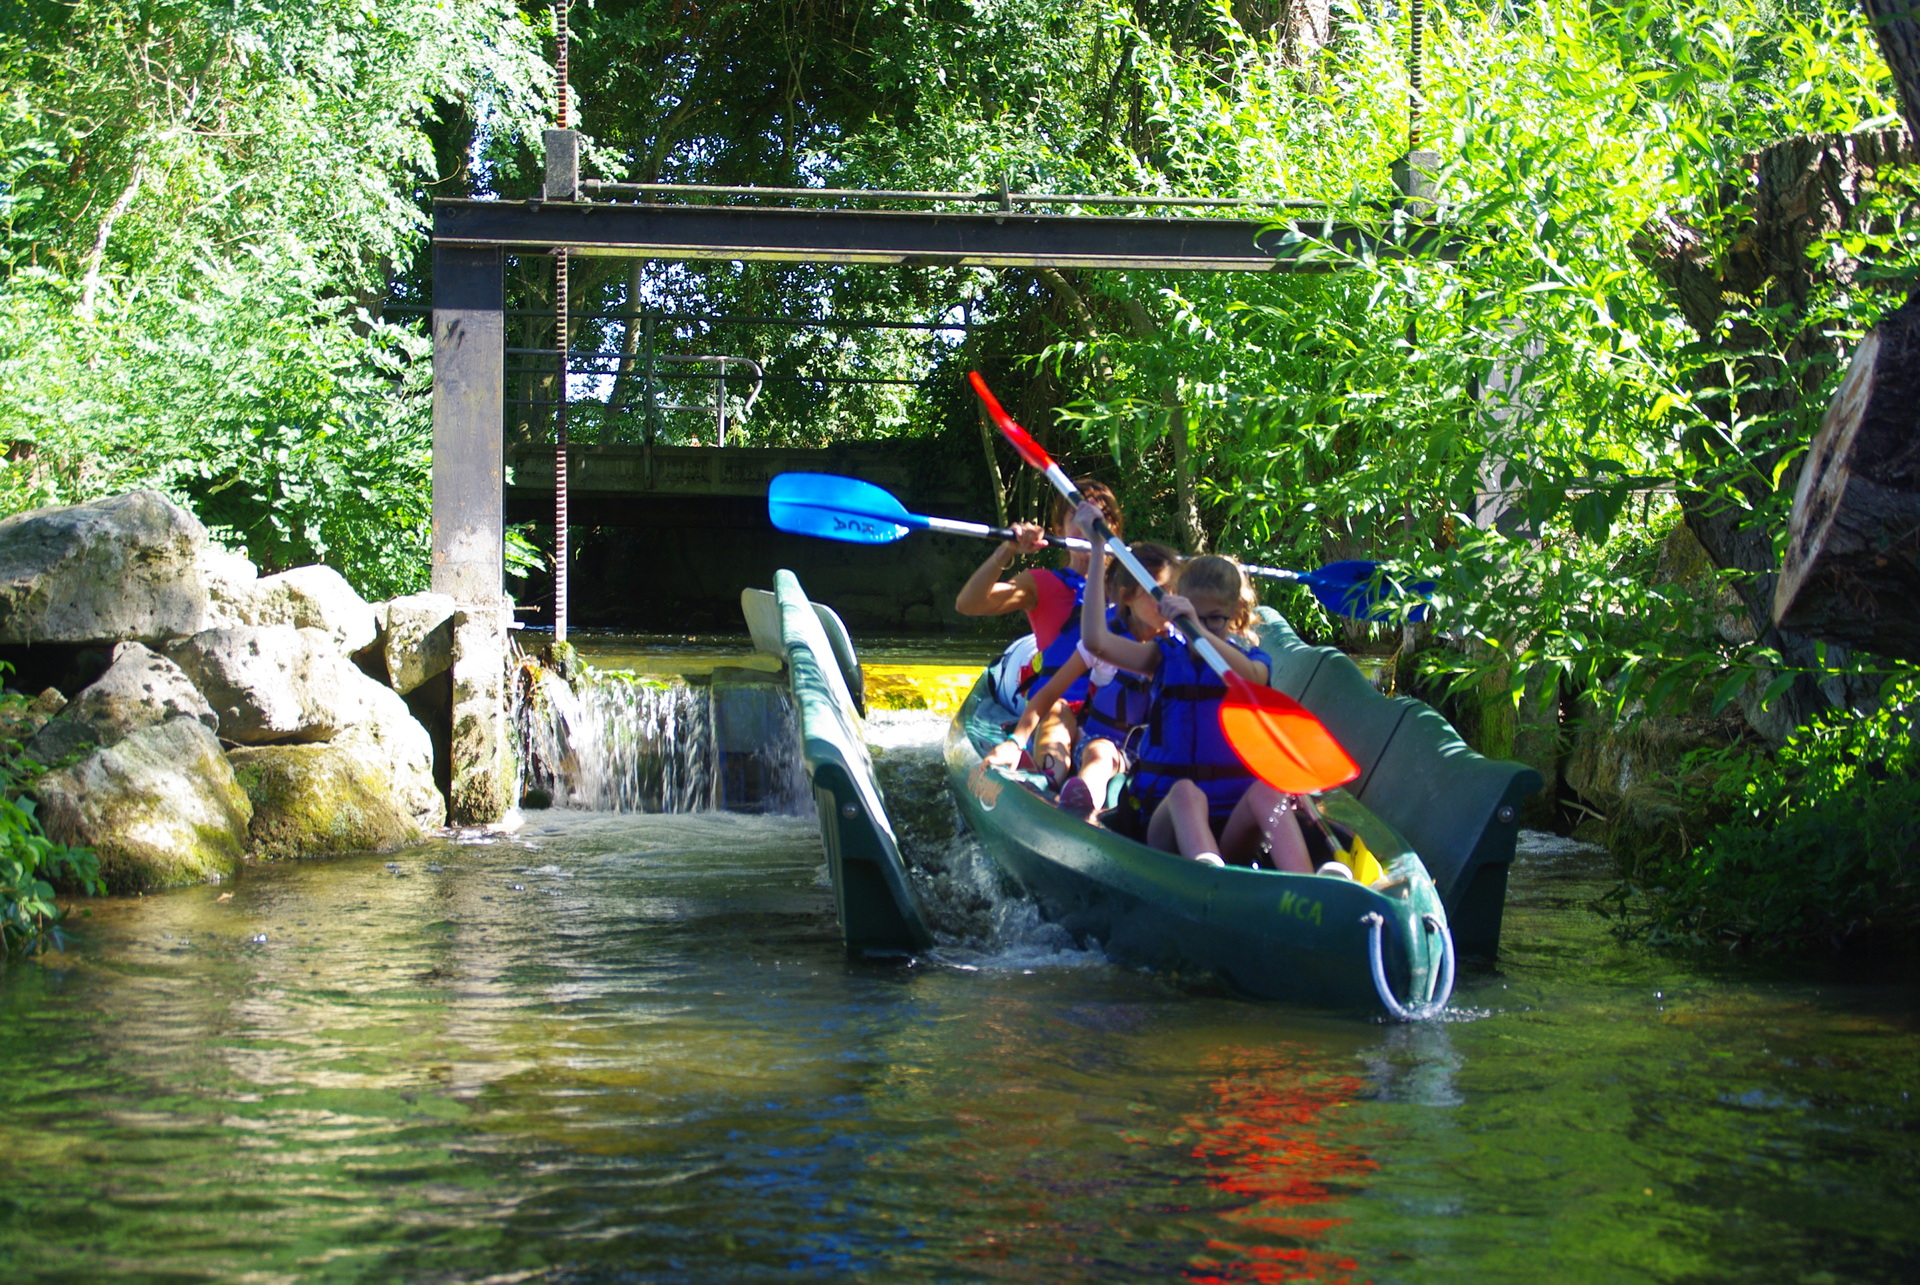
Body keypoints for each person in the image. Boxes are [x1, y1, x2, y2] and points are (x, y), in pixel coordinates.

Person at [1076, 504, 1315, 872]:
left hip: (1233, 827)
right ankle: (1207, 875)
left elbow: (1250, 679)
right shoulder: (1162, 657)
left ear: (1236, 613)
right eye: (1190, 621)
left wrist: (1197, 630)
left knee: (1271, 792)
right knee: (1187, 792)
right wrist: (1096, 551)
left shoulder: (1252, 662)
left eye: (1213, 620)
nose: (1199, 631)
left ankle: (1312, 890)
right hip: (1165, 826)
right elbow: (1096, 642)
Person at [983, 541, 1181, 816]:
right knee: (1093, 747)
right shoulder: (1101, 645)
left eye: (1173, 592)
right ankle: (1072, 799)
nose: (1166, 602)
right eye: (1156, 593)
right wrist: (1015, 742)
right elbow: (1049, 693)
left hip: (1156, 753)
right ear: (1127, 597)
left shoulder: (1184, 646)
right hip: (1104, 742)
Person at [954, 479, 1123, 784]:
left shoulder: (1132, 587)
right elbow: (969, 603)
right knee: (1056, 713)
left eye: (1101, 520)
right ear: (1059, 528)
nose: (1089, 528)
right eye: (1079, 519)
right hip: (1057, 704)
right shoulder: (1043, 584)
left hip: (1113, 711)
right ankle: (1051, 781)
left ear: (1114, 530)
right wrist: (1007, 551)